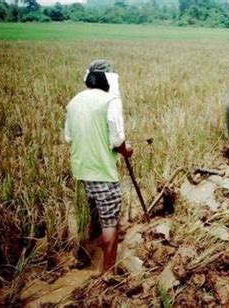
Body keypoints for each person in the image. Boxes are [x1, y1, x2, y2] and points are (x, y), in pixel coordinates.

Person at [65, 60, 133, 273]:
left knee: (92, 216)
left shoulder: (73, 101)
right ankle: (108, 273)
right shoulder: (110, 100)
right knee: (109, 221)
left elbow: (69, 137)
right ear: (109, 79)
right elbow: (117, 141)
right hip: (102, 171)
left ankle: (86, 257)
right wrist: (127, 150)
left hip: (80, 171)